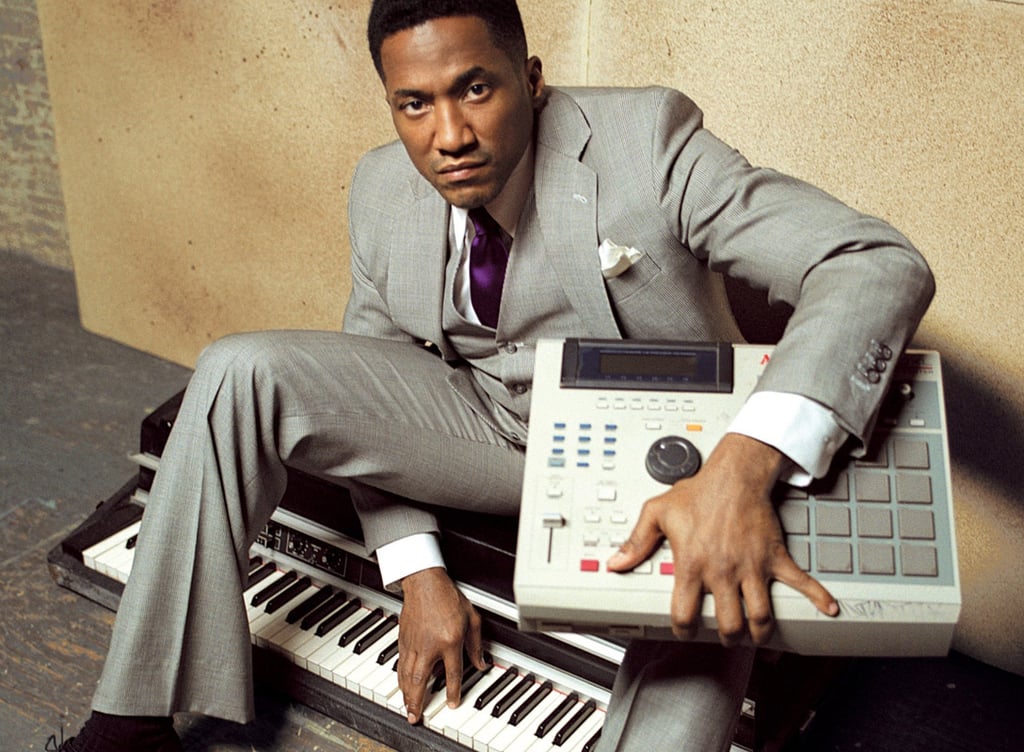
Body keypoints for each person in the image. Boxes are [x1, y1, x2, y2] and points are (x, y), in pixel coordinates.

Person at [61, 1, 934, 750]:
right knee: (237, 370)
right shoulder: (379, 189)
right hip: (479, 428)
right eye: (415, 104)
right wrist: (417, 571)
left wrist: (742, 467)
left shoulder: (648, 143)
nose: (449, 136)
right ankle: (131, 724)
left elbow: (873, 264)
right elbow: (375, 388)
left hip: (657, 452)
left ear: (532, 78)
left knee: (704, 594)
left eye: (475, 88)